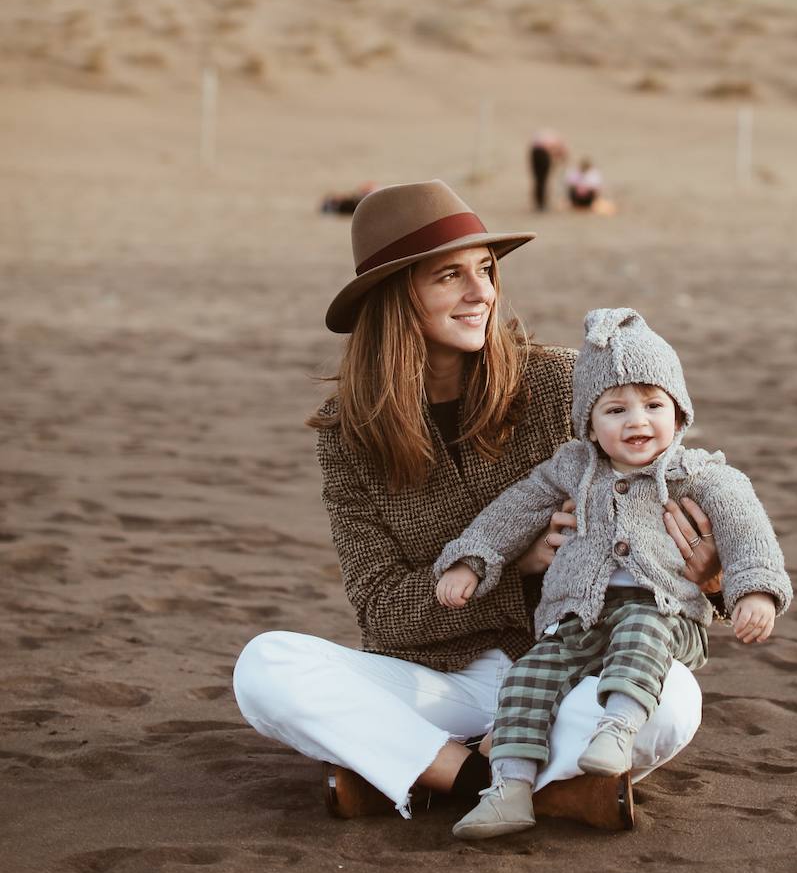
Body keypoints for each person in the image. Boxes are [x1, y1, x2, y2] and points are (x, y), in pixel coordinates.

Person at [232, 180, 721, 827]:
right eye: (449, 277)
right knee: (266, 667)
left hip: (565, 670)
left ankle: (408, 772)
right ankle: (489, 778)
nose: (481, 293)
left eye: (485, 271)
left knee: (672, 698)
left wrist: (704, 578)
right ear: (396, 296)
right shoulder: (349, 436)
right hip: (437, 683)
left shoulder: (566, 386)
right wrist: (510, 568)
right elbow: (383, 612)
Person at [435, 306, 792, 839]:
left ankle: (618, 728)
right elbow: (512, 513)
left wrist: (754, 591)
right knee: (527, 678)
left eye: (653, 404)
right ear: (589, 424)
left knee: (640, 630)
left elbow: (747, 530)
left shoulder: (698, 473)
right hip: (578, 617)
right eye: (615, 409)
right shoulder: (572, 469)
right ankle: (508, 788)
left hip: (665, 613)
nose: (637, 421)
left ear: (678, 412)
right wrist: (470, 560)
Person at [529, 128, 567, 212]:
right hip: (541, 153)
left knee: (538, 180)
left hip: (534, 152)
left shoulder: (548, 137)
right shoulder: (558, 143)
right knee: (543, 180)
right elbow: (559, 154)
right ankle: (541, 203)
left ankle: (539, 202)